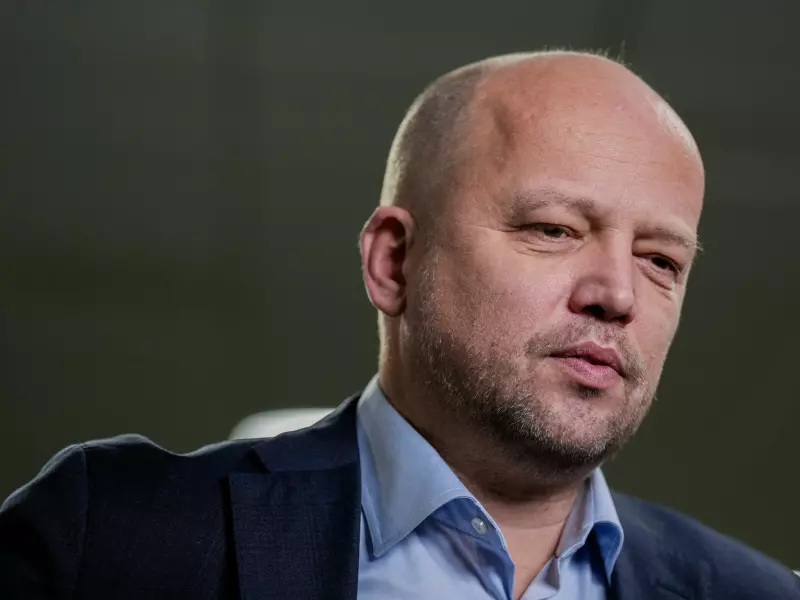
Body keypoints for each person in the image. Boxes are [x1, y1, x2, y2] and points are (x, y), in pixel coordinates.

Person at [1, 50, 797, 600]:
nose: (618, 293)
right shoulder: (111, 539)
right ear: (394, 262)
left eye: (661, 260)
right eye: (553, 229)